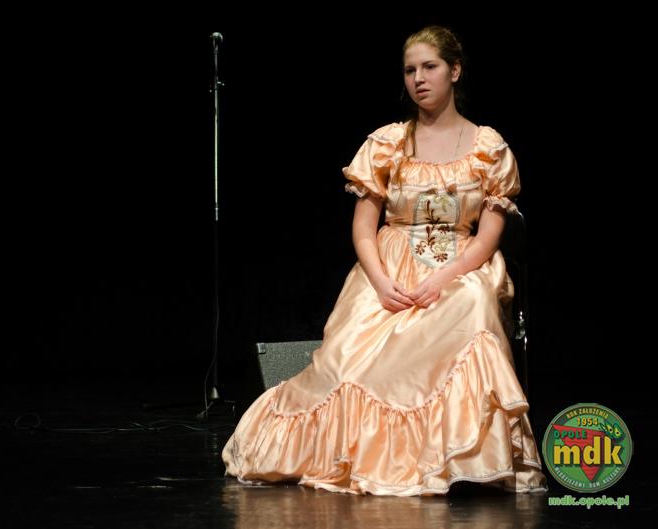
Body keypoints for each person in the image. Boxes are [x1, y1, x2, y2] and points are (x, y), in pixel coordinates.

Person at [221, 25, 548, 496]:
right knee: (348, 362)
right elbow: (363, 227)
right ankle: (359, 451)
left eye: (430, 67)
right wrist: (379, 281)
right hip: (390, 265)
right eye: (410, 70)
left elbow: (487, 238)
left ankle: (461, 454)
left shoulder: (487, 147)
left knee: (472, 305)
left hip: (460, 266)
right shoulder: (388, 142)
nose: (419, 79)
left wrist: (443, 279)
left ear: (455, 71)